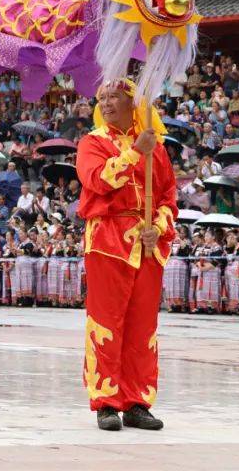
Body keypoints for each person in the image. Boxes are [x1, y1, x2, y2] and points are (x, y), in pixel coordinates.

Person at [74, 79, 174, 432]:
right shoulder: (92, 143)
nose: (106, 103)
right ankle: (105, 401)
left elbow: (168, 197)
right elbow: (98, 180)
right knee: (106, 321)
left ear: (134, 103)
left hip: (146, 244)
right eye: (101, 98)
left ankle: (137, 402)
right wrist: (134, 153)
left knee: (143, 326)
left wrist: (158, 227)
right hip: (107, 239)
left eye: (113, 96)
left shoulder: (156, 148)